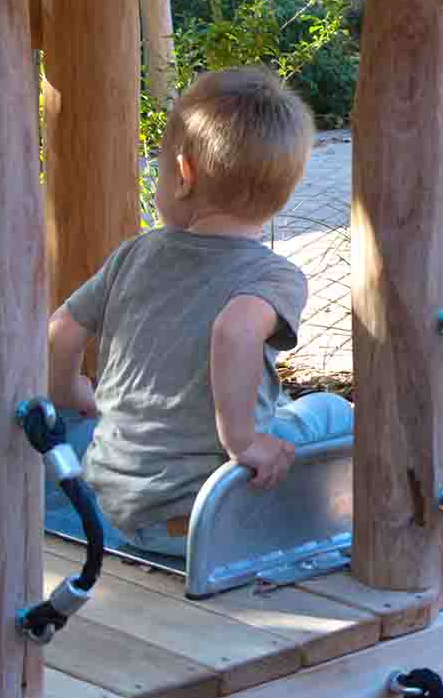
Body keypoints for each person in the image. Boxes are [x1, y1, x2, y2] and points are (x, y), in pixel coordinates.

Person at [43, 67, 352, 557]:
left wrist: (71, 391)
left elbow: (60, 332)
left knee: (83, 433)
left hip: (117, 510)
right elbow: (233, 332)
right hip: (210, 520)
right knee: (333, 411)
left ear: (183, 174)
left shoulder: (133, 255)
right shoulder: (275, 278)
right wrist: (243, 441)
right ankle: (311, 533)